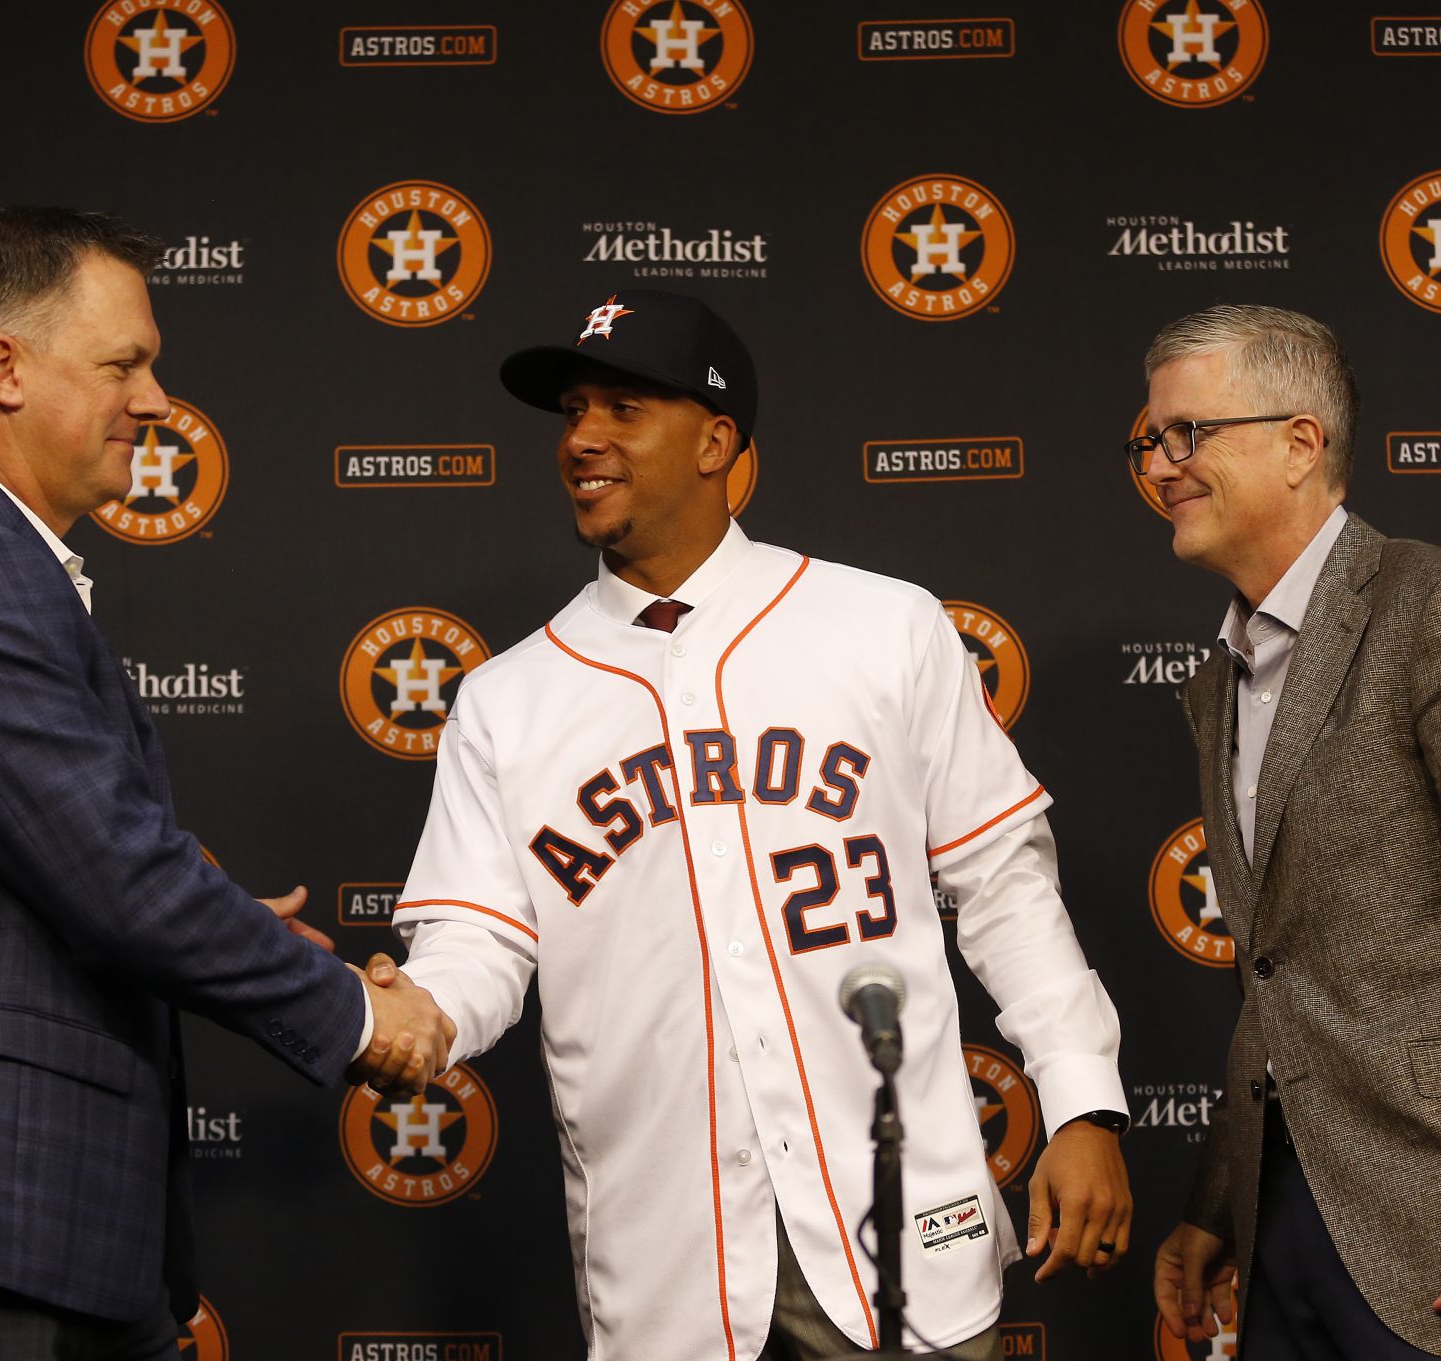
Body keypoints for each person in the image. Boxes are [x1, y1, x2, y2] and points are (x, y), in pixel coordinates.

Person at [0, 206, 451, 1359]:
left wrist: (205, 906)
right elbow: (112, 875)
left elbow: (61, 857)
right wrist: (361, 1016)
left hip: (39, 1236)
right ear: (5, 369)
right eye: (123, 362)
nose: (158, 398)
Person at [372, 288, 1131, 1360]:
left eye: (622, 408)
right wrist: (423, 1011)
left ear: (716, 439)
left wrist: (1082, 1100)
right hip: (662, 1263)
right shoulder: (509, 697)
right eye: (572, 410)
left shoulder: (882, 626)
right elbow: (479, 940)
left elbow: (1001, 883)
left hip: (901, 1233)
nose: (581, 437)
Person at [1137, 305, 1441, 1359]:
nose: (1160, 466)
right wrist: (1218, 1197)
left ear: (1300, 442)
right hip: (1280, 1227)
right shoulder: (1217, 681)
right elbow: (1276, 974)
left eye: (1187, 433)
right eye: (1150, 440)